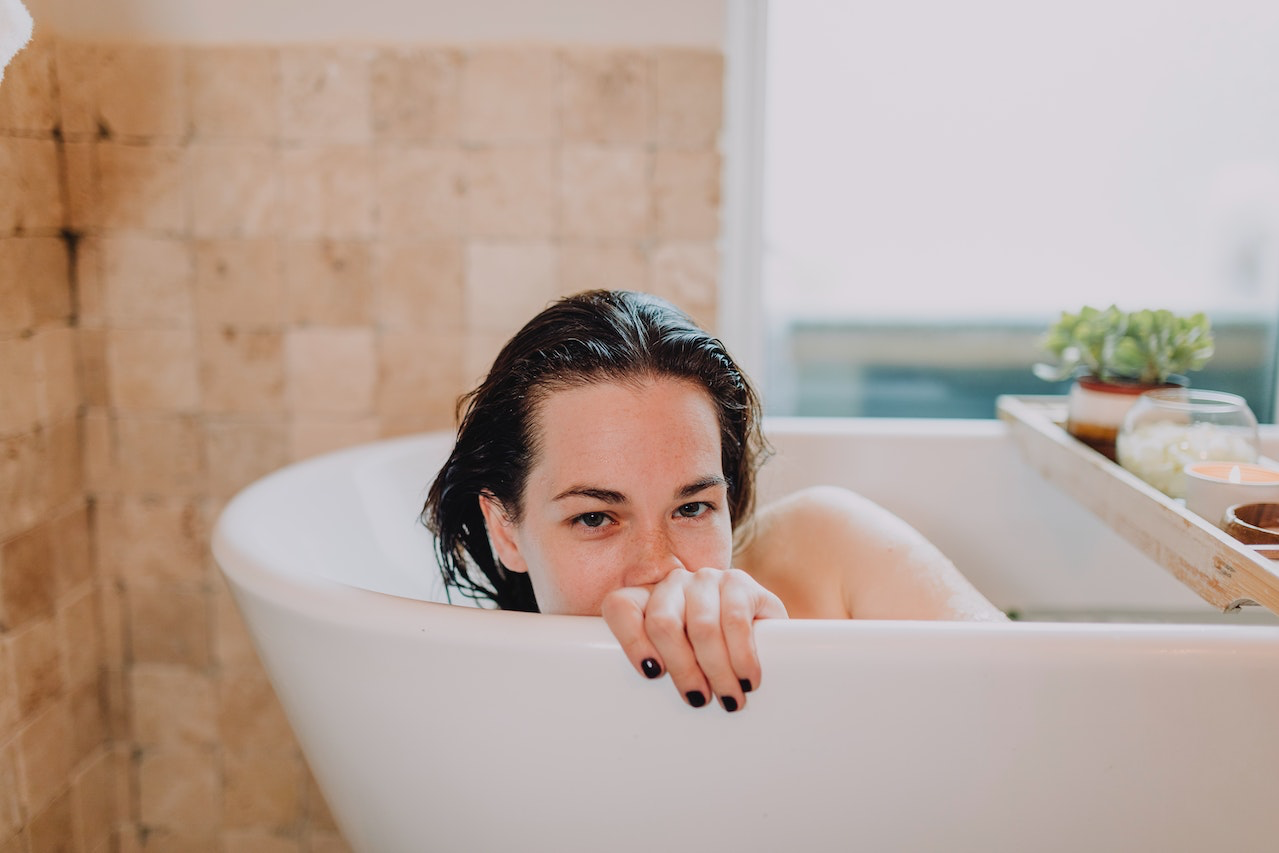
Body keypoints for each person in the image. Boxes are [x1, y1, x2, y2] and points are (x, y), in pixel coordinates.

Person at [423, 290, 1006, 712]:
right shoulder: (471, 710)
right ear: (505, 530)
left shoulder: (832, 550)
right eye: (595, 517)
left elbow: (1046, 711)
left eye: (692, 508)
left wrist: (795, 672)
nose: (659, 567)